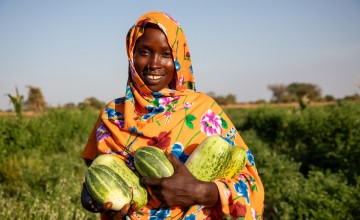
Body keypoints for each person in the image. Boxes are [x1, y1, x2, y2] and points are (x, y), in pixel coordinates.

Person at [81, 11, 264, 220]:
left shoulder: (203, 109)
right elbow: (96, 171)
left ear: (179, 58)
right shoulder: (112, 115)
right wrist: (94, 200)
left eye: (166, 54)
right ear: (131, 55)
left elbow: (250, 182)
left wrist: (202, 192)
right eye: (144, 52)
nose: (154, 64)